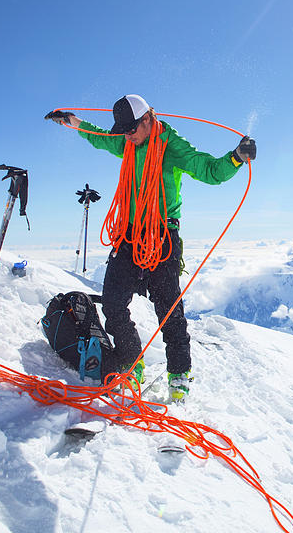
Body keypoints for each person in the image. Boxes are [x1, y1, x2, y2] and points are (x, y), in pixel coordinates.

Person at [46, 95, 255, 401]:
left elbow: (209, 170)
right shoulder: (127, 142)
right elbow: (101, 138)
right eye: (124, 129)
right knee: (113, 303)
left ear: (147, 120)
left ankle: (179, 372)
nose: (127, 134)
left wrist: (236, 156)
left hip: (162, 236)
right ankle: (132, 361)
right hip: (129, 236)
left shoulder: (172, 146)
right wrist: (73, 122)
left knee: (169, 309)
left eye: (131, 128)